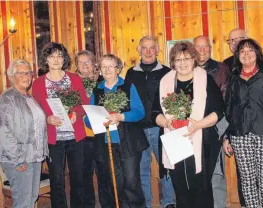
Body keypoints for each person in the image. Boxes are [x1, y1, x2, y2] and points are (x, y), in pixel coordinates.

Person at [152, 41, 225, 208]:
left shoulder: (206, 80)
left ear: (194, 60)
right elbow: (154, 114)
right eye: (178, 59)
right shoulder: (165, 82)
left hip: (203, 142)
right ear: (173, 62)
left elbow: (219, 111)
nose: (182, 63)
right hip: (175, 141)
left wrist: (198, 124)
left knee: (201, 187)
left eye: (186, 58)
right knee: (180, 186)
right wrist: (168, 122)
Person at [223, 38, 263, 208]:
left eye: (250, 50)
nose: (246, 54)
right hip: (240, 135)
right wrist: (227, 136)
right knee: (247, 179)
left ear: (257, 53)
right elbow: (229, 109)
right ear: (238, 55)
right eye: (242, 51)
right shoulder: (234, 77)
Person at [85, 54, 148, 208]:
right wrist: (93, 120)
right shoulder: (97, 90)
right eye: (104, 66)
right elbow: (88, 119)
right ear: (100, 70)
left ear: (118, 69)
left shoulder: (127, 86)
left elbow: (140, 112)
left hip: (128, 142)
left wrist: (121, 116)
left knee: (131, 183)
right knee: (113, 183)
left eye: (111, 66)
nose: (107, 69)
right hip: (106, 144)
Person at [32, 42, 89, 208]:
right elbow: (36, 110)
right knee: (57, 182)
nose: (56, 59)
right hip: (53, 140)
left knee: (78, 180)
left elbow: (83, 102)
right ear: (46, 59)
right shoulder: (38, 83)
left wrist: (77, 114)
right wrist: (47, 119)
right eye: (52, 56)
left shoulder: (74, 78)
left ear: (64, 59)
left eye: (59, 56)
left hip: (76, 138)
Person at [125, 36, 176, 208]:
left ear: (157, 50)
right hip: (137, 130)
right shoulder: (131, 73)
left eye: (151, 47)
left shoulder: (167, 72)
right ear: (139, 50)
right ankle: (146, 203)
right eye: (144, 48)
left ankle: (168, 202)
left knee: (166, 168)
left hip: (160, 128)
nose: (148, 51)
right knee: (141, 170)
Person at [0, 59, 49, 208]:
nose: (26, 76)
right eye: (21, 73)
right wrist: (18, 160)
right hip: (19, 158)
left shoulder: (29, 97)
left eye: (28, 73)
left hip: (34, 156)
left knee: (31, 198)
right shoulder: (7, 99)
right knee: (23, 202)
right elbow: (5, 132)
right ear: (12, 77)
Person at [193, 35, 230, 208]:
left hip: (215, 126)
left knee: (216, 173)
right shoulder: (186, 69)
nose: (202, 50)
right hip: (191, 128)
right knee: (195, 173)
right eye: (198, 47)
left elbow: (226, 100)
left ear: (210, 48)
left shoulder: (222, 69)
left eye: (205, 46)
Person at [74, 50, 108, 208]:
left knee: (104, 174)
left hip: (101, 135)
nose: (84, 65)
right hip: (82, 137)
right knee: (84, 176)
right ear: (77, 66)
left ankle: (107, 204)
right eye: (81, 63)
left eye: (87, 61)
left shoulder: (103, 81)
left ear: (94, 64)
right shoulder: (73, 84)